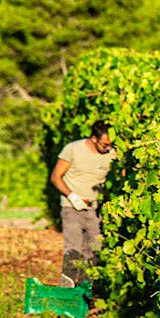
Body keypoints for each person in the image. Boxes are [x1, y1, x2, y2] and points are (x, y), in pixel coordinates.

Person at [50, 119, 118, 287]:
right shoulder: (73, 149)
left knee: (94, 250)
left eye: (110, 145)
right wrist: (73, 197)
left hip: (96, 209)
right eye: (104, 145)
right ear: (94, 139)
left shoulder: (112, 153)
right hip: (71, 207)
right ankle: (68, 289)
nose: (108, 148)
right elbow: (55, 177)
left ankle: (87, 289)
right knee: (73, 250)